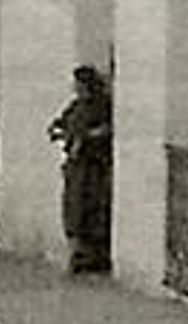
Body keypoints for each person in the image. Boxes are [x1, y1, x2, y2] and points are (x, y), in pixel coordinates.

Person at [49, 65, 113, 273]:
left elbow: (106, 129)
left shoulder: (100, 106)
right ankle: (76, 252)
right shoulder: (76, 106)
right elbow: (60, 123)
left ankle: (91, 255)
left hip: (92, 165)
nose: (77, 88)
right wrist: (60, 132)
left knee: (91, 207)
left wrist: (86, 137)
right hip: (75, 165)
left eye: (80, 84)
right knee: (73, 208)